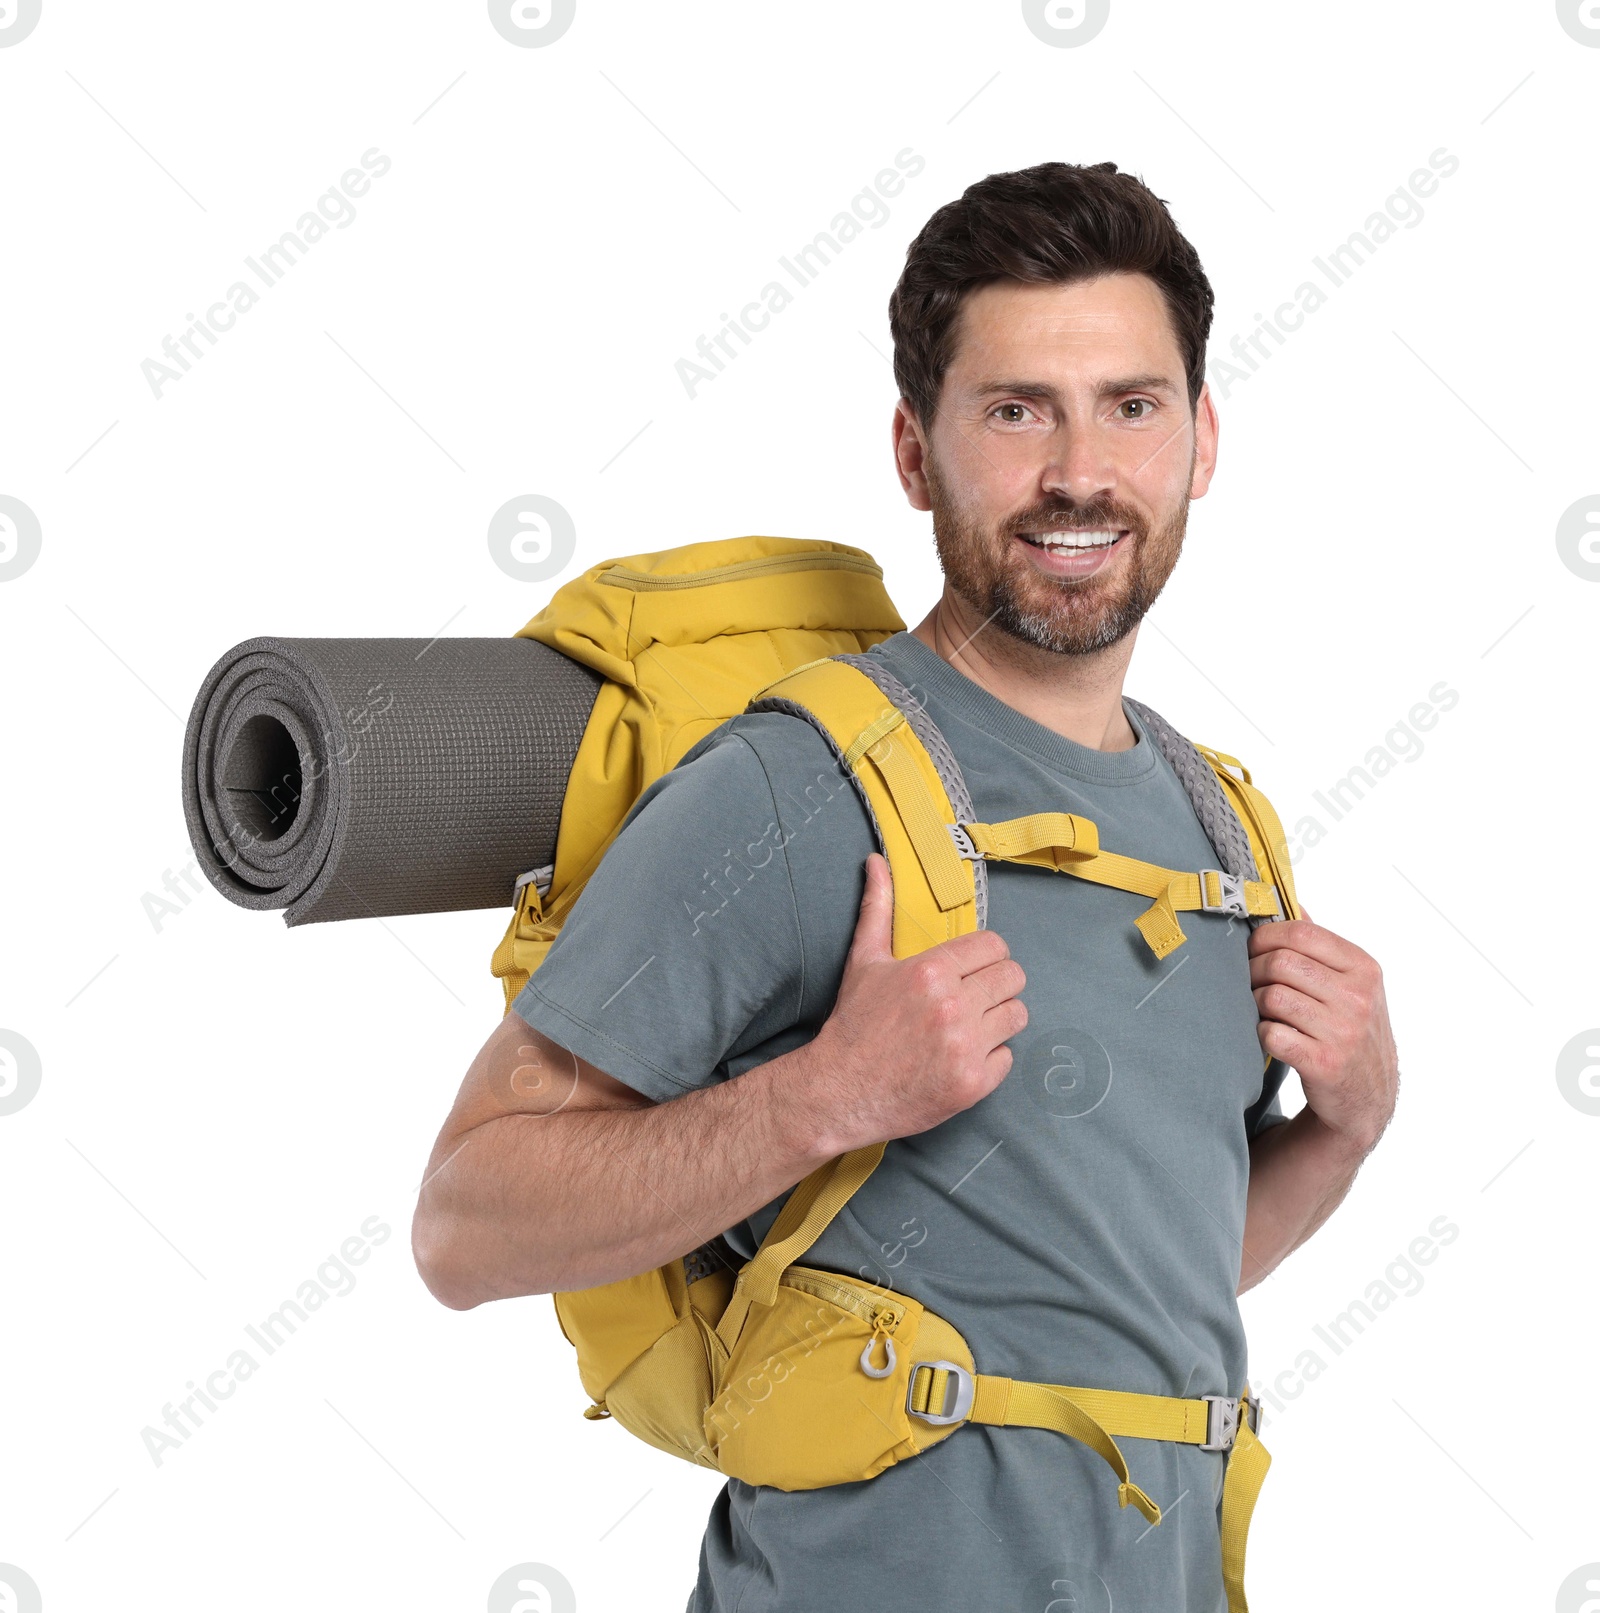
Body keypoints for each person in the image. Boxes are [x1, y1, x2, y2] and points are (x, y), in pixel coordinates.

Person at [412, 160, 1400, 1611]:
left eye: (1130, 405)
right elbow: (463, 1222)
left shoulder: (1220, 830)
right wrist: (826, 1096)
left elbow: (1131, 1295)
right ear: (914, 451)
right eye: (1016, 411)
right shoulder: (796, 786)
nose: (1079, 471)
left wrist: (1352, 1128)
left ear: (1200, 441)